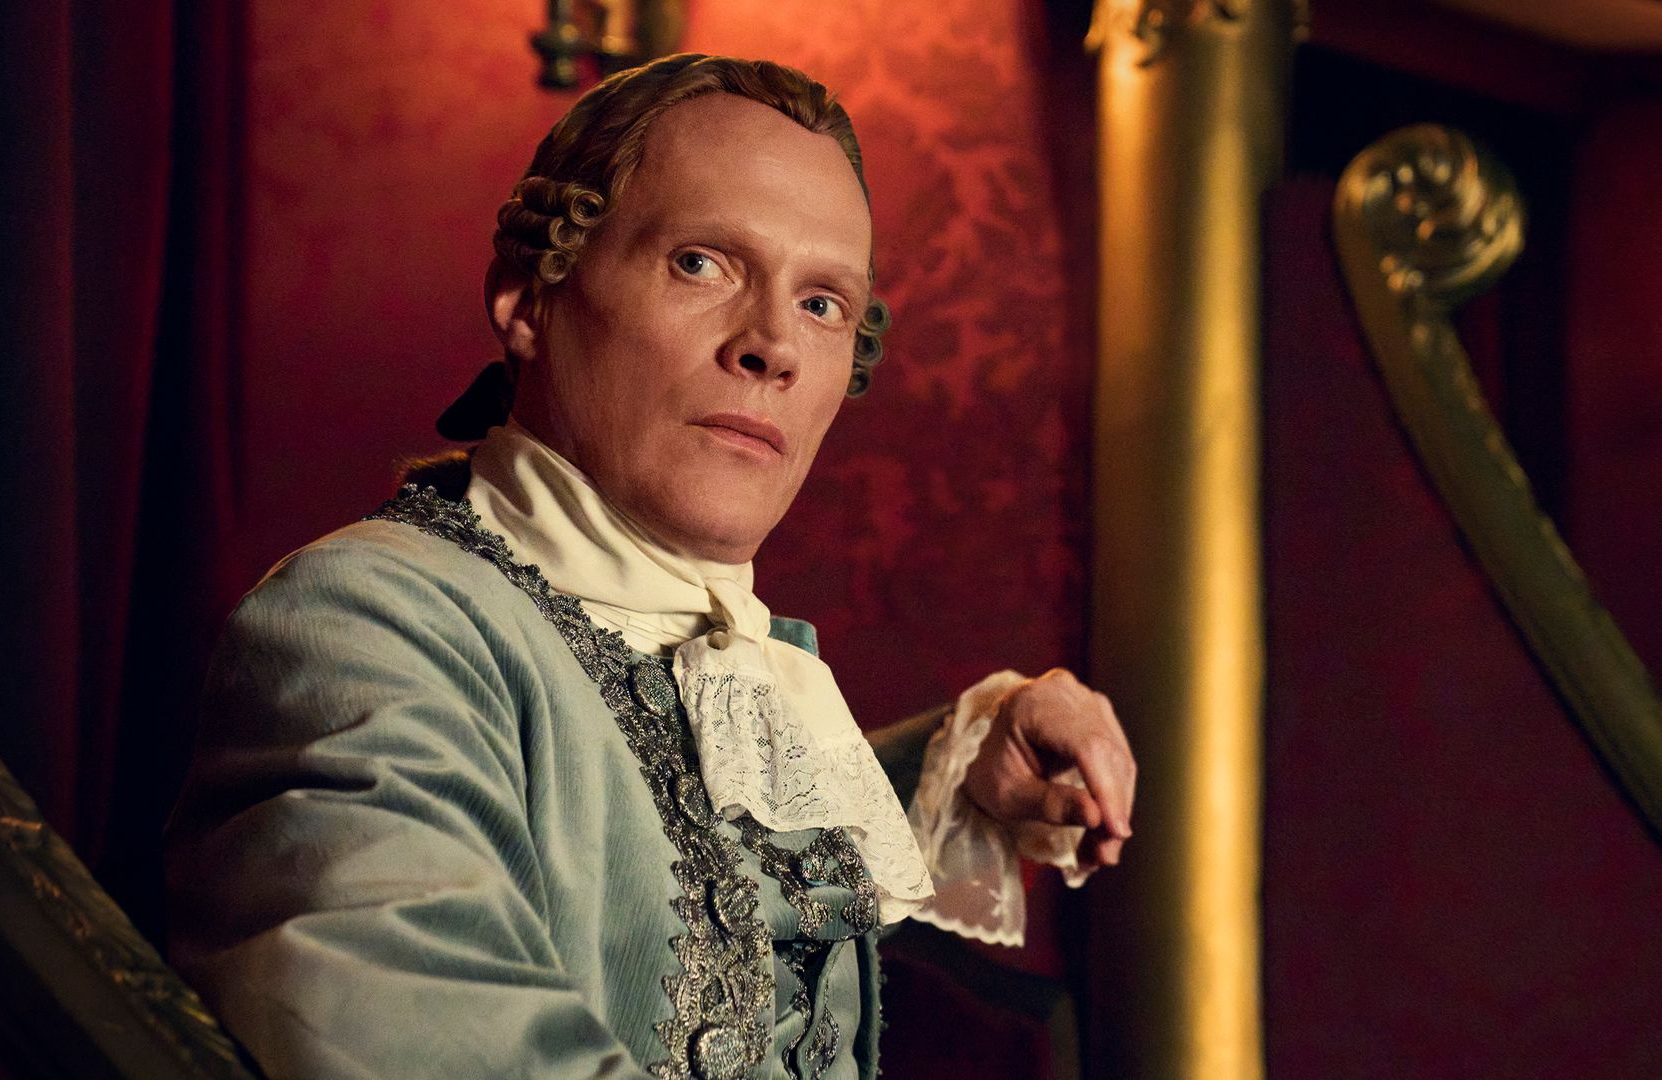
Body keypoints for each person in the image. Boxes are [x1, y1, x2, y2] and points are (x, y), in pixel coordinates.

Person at [165, 53, 1135, 1080]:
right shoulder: (366, 620)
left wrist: (957, 760)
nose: (774, 347)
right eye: (702, 263)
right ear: (527, 301)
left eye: (822, 304)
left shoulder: (744, 676)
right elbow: (411, 1026)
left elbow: (688, 852)